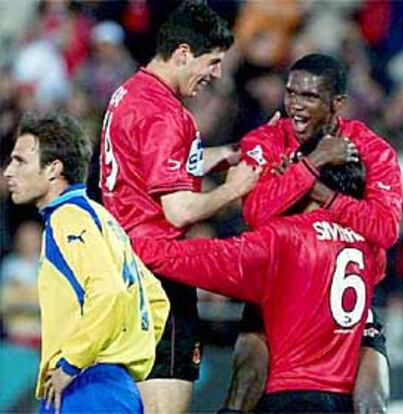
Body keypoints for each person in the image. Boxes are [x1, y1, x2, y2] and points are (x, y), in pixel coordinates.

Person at [99, 2, 261, 412]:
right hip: (160, 279)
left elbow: (150, 165)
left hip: (118, 271)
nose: (217, 74)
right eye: (213, 62)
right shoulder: (168, 114)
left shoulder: (129, 93)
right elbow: (180, 210)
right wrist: (233, 189)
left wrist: (220, 155)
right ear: (184, 53)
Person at [223, 53, 402, 413]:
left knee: (373, 403)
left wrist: (324, 195)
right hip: (278, 293)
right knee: (243, 386)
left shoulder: (373, 151)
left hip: (343, 298)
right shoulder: (265, 140)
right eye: (290, 93)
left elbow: (385, 229)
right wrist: (314, 163)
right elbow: (256, 212)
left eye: (309, 97)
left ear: (338, 104)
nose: (295, 106)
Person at [149, 159, 383, 413]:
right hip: (341, 401)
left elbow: (199, 259)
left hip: (290, 397)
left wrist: (136, 244)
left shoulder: (285, 237)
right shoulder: (369, 247)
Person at [4, 112, 169, 414]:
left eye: (20, 161)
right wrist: (127, 350)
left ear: (53, 169)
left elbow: (109, 292)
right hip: (114, 385)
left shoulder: (68, 218)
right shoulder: (103, 219)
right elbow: (155, 300)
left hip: (86, 385)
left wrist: (72, 363)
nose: (8, 172)